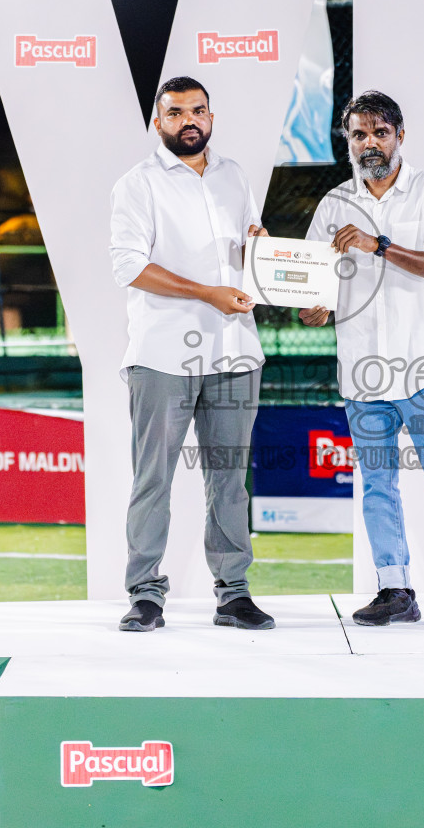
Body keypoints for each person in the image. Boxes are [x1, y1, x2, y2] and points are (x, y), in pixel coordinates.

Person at [299, 90, 424, 631]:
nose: (369, 143)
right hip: (362, 370)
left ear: (400, 136)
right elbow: (316, 287)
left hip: (422, 368)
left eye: (379, 133)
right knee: (377, 484)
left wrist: (378, 244)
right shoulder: (334, 203)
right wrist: (314, 309)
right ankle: (394, 589)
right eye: (359, 134)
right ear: (348, 141)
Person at [108, 75, 275, 632]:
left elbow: (247, 248)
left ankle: (233, 593)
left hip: (234, 350)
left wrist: (263, 249)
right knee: (153, 477)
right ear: (159, 122)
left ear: (211, 116)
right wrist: (207, 293)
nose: (189, 121)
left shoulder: (233, 175)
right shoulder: (137, 184)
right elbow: (129, 266)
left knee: (229, 478)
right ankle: (146, 594)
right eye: (176, 113)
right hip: (161, 354)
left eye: (198, 111)